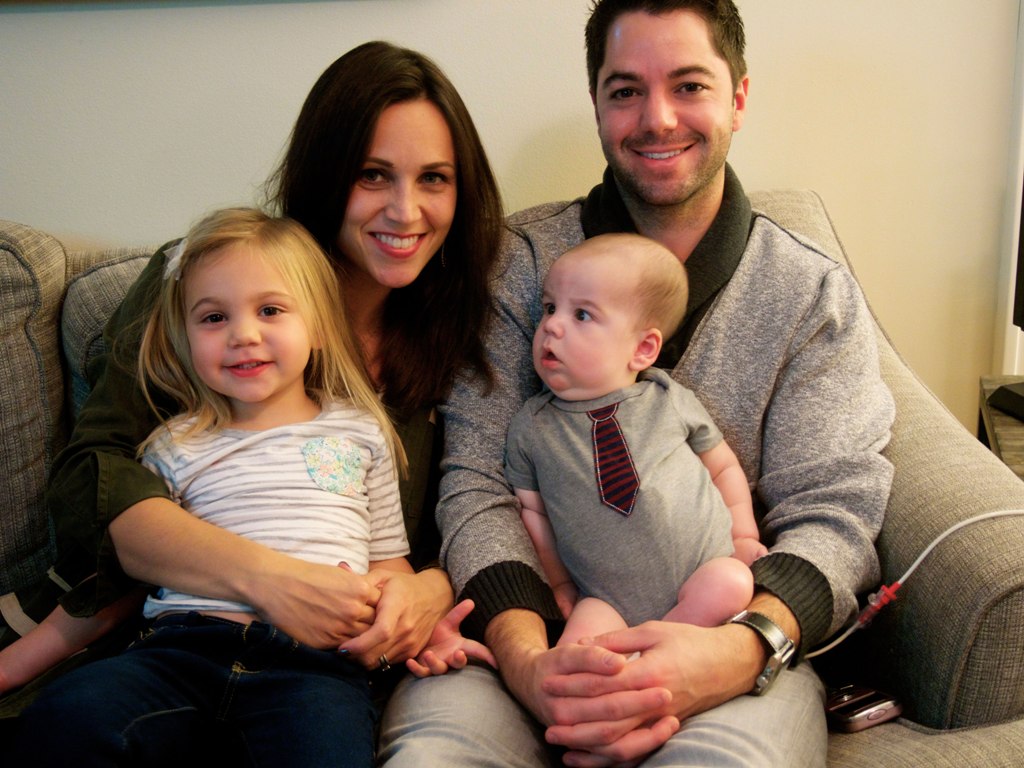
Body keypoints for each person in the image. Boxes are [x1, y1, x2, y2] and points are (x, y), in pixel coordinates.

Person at [380, 2, 895, 766]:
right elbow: (478, 484)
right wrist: (530, 663)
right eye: (625, 91)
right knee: (434, 755)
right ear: (595, 103)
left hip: (733, 642)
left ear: (738, 99)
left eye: (689, 86)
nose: (657, 118)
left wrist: (737, 651)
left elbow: (838, 511)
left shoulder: (808, 294)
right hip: (546, 633)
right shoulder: (517, 265)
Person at [3, 41, 502, 713]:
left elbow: (473, 510)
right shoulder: (210, 282)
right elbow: (97, 469)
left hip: (331, 672)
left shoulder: (466, 325)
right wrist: (271, 578)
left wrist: (429, 591)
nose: (406, 211)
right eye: (373, 175)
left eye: (434, 179)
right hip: (154, 641)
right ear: (327, 175)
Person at [13, 208, 494, 764]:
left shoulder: (363, 433)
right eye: (213, 318)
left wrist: (423, 631)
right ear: (183, 334)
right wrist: (15, 665)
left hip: (314, 672)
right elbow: (115, 586)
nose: (244, 334)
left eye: (270, 310)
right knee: (67, 716)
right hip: (178, 654)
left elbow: (388, 567)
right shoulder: (171, 446)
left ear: (316, 324)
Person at [505, 233, 765, 643]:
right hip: (605, 600)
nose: (551, 325)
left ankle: (663, 645)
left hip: (702, 571)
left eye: (582, 315)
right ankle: (629, 668)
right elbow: (534, 515)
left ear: (643, 349)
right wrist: (558, 585)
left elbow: (722, 466)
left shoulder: (668, 400)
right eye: (550, 308)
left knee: (733, 583)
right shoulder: (531, 427)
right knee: (578, 648)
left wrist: (743, 536)